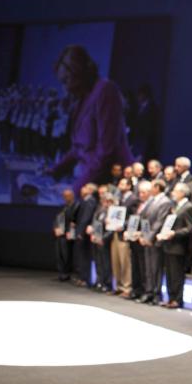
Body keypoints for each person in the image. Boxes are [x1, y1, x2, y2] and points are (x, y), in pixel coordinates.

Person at [46, 45, 134, 194]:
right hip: (91, 182)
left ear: (77, 71)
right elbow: (78, 148)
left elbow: (105, 153)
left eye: (66, 80)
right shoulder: (82, 99)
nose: (64, 88)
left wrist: (76, 189)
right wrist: (55, 169)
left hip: (111, 185)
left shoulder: (105, 90)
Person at [159, 182, 192, 309]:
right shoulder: (175, 206)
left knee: (177, 274)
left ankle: (177, 299)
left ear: (182, 192)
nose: (173, 193)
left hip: (179, 245)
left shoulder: (188, 207)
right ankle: (170, 297)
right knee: (169, 273)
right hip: (169, 244)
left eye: (175, 191)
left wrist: (175, 233)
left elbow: (191, 228)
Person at [139, 179, 172, 305]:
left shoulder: (165, 202)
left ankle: (156, 294)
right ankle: (149, 292)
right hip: (147, 238)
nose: (149, 190)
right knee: (148, 268)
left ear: (158, 187)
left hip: (155, 239)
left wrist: (149, 237)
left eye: (152, 187)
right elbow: (144, 219)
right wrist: (142, 235)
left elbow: (159, 221)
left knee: (156, 268)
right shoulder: (151, 200)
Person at [110, 178, 135, 297]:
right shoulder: (119, 199)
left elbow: (134, 217)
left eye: (122, 183)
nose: (119, 185)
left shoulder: (133, 199)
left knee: (125, 261)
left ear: (129, 186)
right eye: (119, 183)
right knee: (116, 261)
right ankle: (118, 285)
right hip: (115, 232)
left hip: (124, 233)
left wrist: (124, 226)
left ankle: (127, 287)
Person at [72, 183, 98, 287]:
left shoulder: (90, 201)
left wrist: (80, 232)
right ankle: (82, 276)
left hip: (84, 233)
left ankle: (85, 278)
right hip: (81, 231)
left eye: (86, 187)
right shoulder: (85, 200)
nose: (82, 188)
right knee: (81, 255)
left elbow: (86, 218)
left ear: (90, 190)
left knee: (85, 256)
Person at [53, 188, 77, 282]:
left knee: (67, 255)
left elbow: (73, 220)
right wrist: (55, 227)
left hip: (67, 234)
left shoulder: (75, 206)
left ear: (72, 196)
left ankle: (66, 273)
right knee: (59, 255)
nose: (65, 198)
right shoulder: (63, 206)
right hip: (59, 234)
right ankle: (61, 273)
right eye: (64, 196)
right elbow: (57, 219)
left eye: (67, 196)